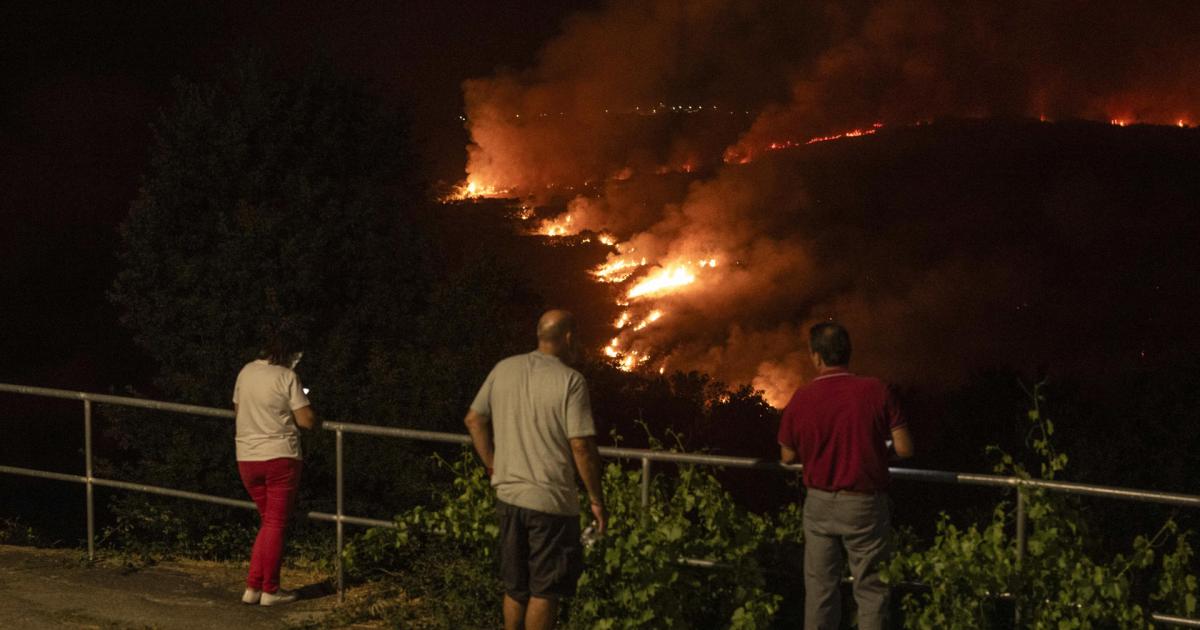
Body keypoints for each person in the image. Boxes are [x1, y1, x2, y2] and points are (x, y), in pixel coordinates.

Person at [464, 310, 607, 630]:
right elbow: (581, 446)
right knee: (545, 591)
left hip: (509, 496)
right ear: (568, 338)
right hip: (551, 504)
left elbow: (473, 419)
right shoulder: (571, 380)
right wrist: (596, 499)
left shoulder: (505, 368)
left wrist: (492, 466)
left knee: (515, 588)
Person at [777, 322, 914, 630]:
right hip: (864, 505)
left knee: (820, 591)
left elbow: (787, 456)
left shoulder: (802, 397)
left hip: (820, 504)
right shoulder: (875, 389)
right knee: (871, 591)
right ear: (848, 354)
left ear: (815, 357)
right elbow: (905, 448)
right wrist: (880, 450)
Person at [232, 332, 319, 606]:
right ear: (289, 355)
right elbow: (305, 420)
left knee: (267, 522)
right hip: (280, 457)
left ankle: (253, 588)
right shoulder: (287, 377)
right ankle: (270, 590)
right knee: (275, 523)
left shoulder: (246, 372)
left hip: (246, 456)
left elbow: (237, 409)